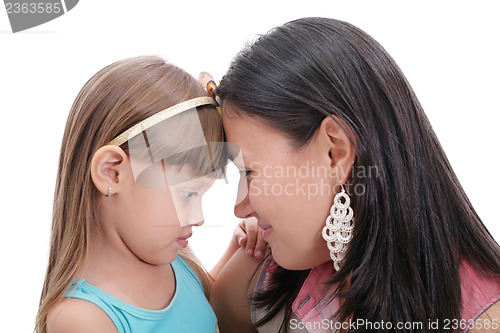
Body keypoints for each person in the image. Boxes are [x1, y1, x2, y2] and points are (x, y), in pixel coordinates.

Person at [212, 18, 500, 333]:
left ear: (335, 151)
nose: (240, 208)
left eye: (248, 172)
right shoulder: (275, 265)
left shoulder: (484, 319)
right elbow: (202, 319)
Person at [35, 55, 265, 333]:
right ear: (112, 172)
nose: (199, 217)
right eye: (189, 194)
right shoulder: (82, 318)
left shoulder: (175, 257)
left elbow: (206, 313)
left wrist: (240, 247)